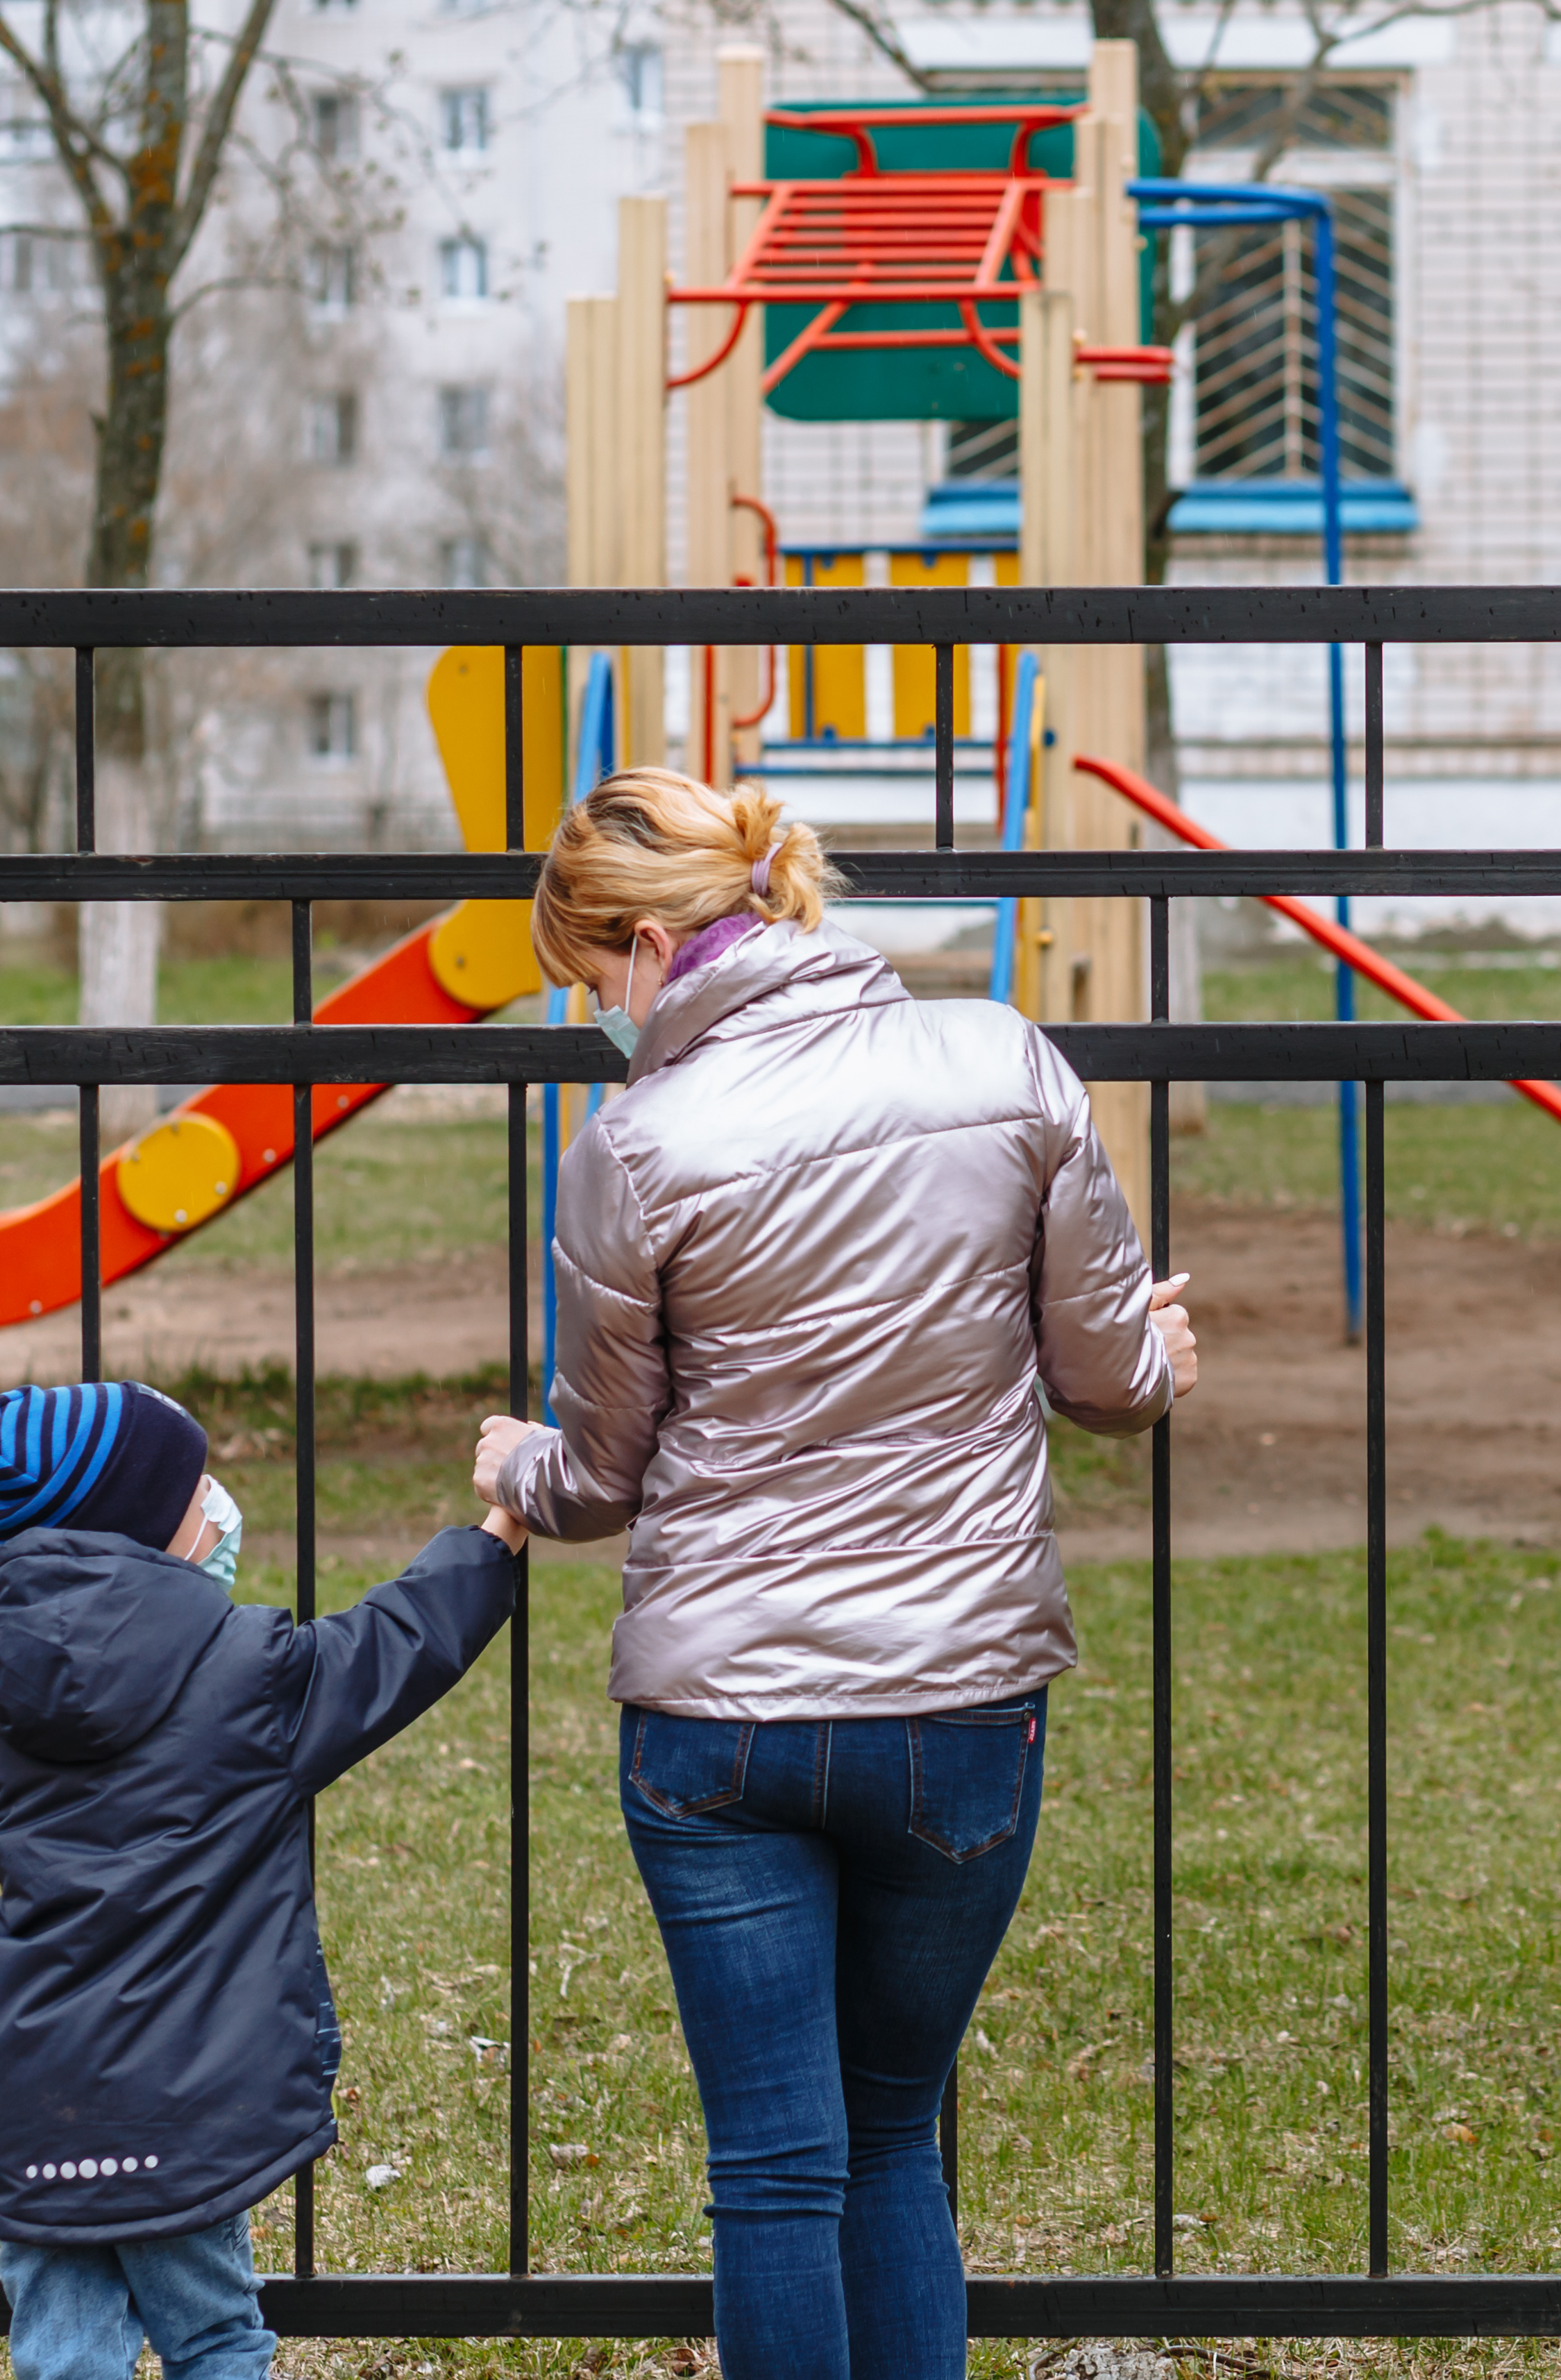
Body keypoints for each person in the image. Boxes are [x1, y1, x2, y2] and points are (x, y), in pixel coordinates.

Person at [471, 767, 1196, 2380]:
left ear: (648, 945)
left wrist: (509, 1461)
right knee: (890, 2135)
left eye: (591, 985)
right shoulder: (1004, 1058)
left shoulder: (633, 1143)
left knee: (773, 2169)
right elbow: (1103, 1379)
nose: (601, 1018)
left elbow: (596, 1473)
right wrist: (1159, 1351)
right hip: (959, 1704)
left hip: (716, 1724)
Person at [0, 1378, 526, 2380]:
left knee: (62, 2349)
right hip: (187, 2103)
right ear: (138, 1527)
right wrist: (501, 1524)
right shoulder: (249, 1669)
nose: (216, 1502)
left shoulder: (2, 1689)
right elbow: (401, 1641)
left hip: (41, 2099)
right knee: (214, 2335)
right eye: (194, 1486)